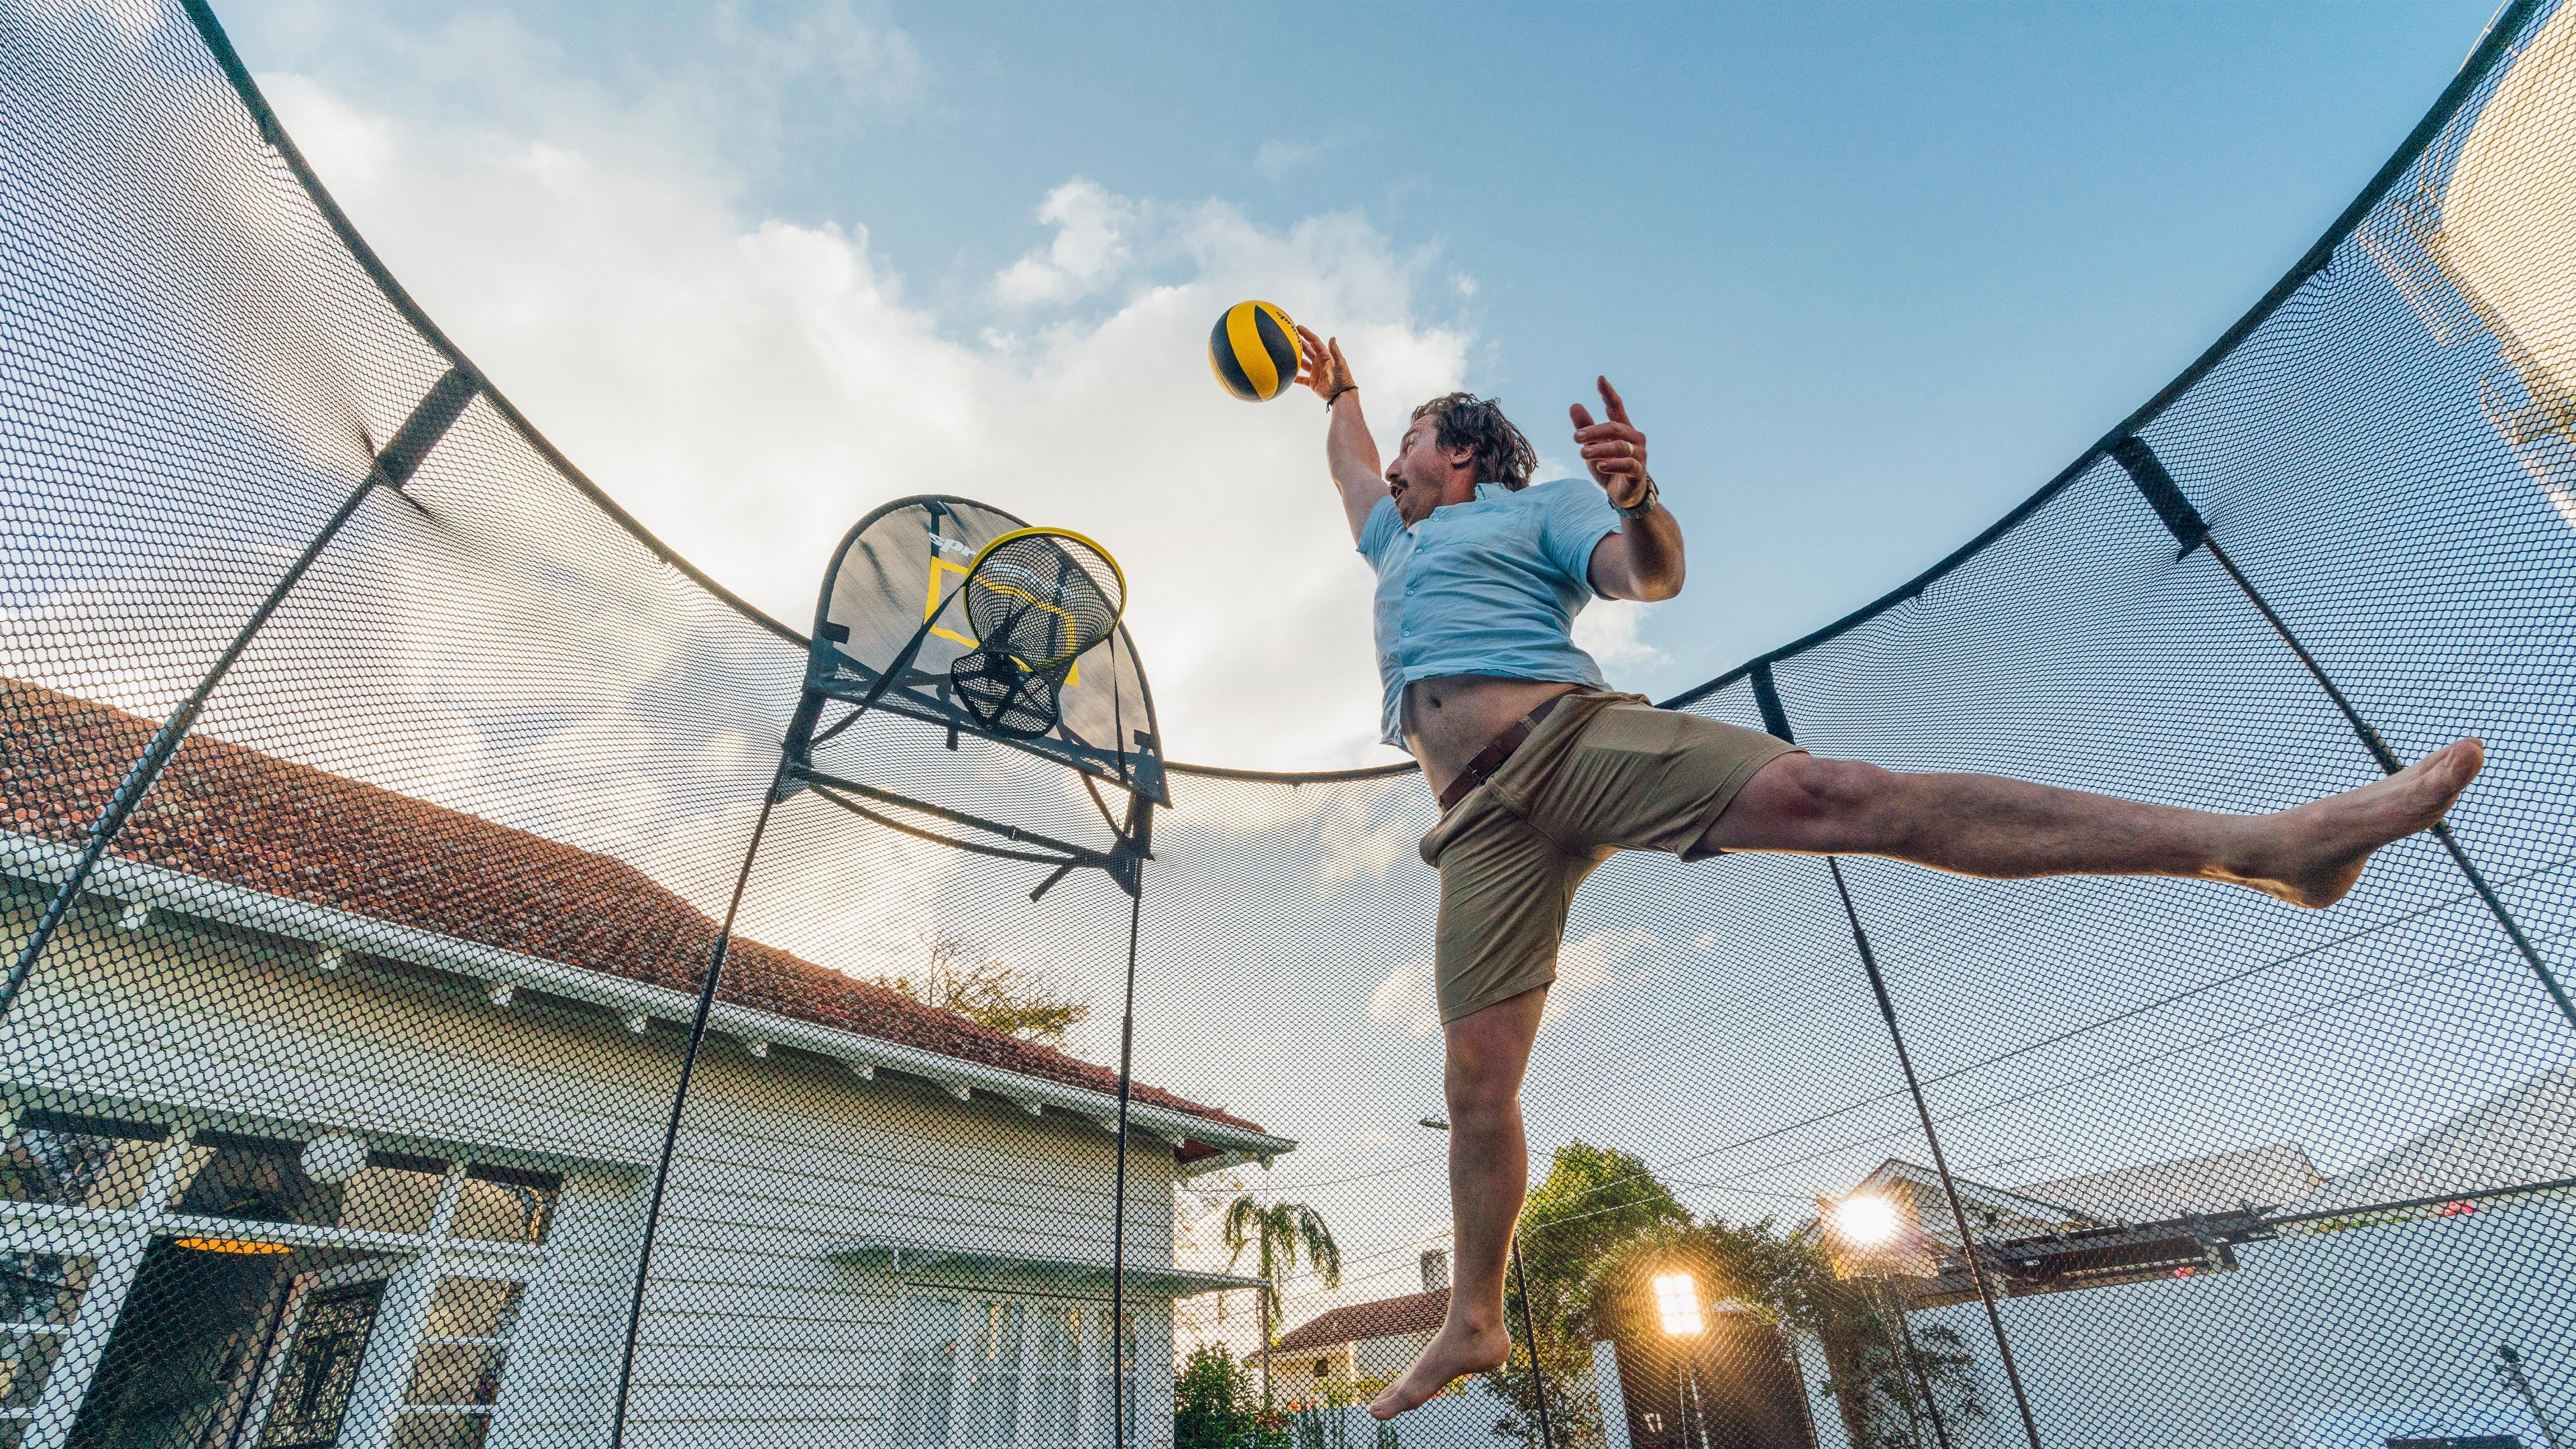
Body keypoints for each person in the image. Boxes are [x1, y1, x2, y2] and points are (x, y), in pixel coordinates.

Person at [1288, 324, 2487, 1421]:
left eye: (1408, 439)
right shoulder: (1394, 535)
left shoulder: (1534, 511)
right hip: (1481, 824)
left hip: (1573, 742)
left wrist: (1639, 497)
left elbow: (1649, 574)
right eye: (1389, 442)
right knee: (1476, 1086)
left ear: (1464, 455)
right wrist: (1340, 390)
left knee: (1845, 797)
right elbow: (1347, 466)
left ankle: (2269, 848)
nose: (1387, 460)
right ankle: (1478, 1316)